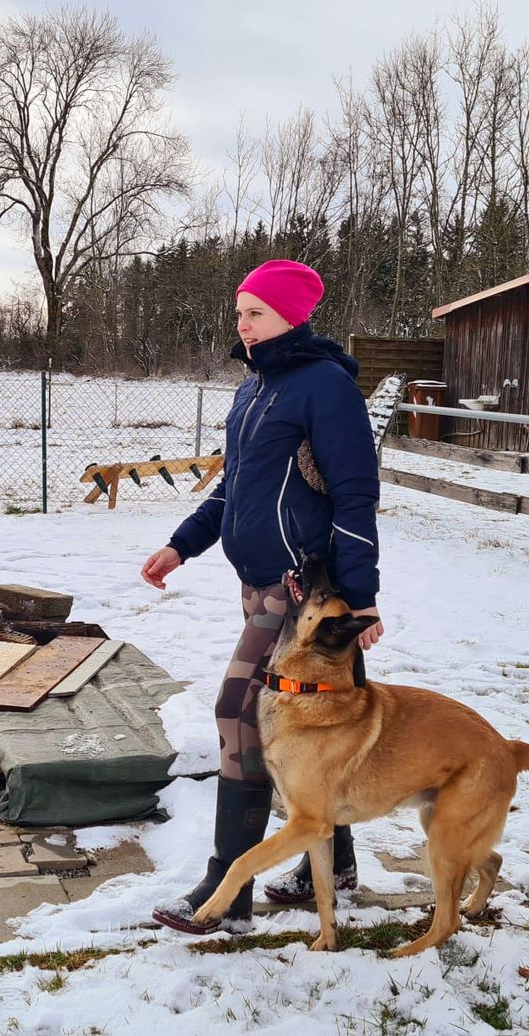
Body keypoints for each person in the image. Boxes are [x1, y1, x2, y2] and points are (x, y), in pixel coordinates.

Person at [144, 258, 383, 934]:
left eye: (255, 313)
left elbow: (355, 496)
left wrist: (359, 599)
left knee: (239, 715)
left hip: (303, 593)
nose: (241, 324)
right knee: (302, 726)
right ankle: (330, 864)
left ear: (291, 317)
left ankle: (228, 886)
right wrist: (182, 543)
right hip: (256, 585)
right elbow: (232, 489)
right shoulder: (255, 388)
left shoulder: (325, 388)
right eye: (240, 312)